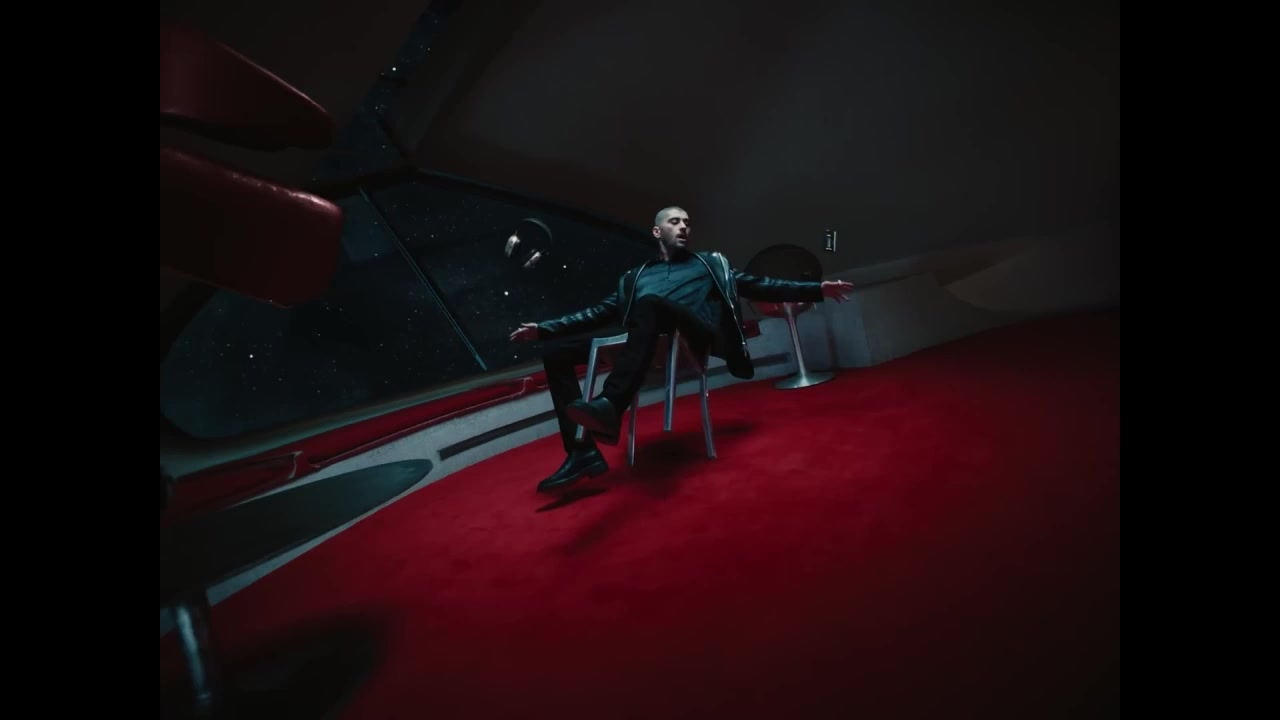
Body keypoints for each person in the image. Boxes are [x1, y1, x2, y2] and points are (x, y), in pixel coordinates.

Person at [510, 206, 853, 492]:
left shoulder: (709, 265)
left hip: (690, 334)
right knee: (556, 353)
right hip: (645, 339)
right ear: (657, 232)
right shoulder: (635, 277)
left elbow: (760, 284)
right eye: (675, 221)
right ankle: (581, 451)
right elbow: (598, 313)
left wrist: (816, 289)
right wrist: (543, 329)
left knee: (650, 304)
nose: (684, 226)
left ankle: (610, 404)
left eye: (687, 222)